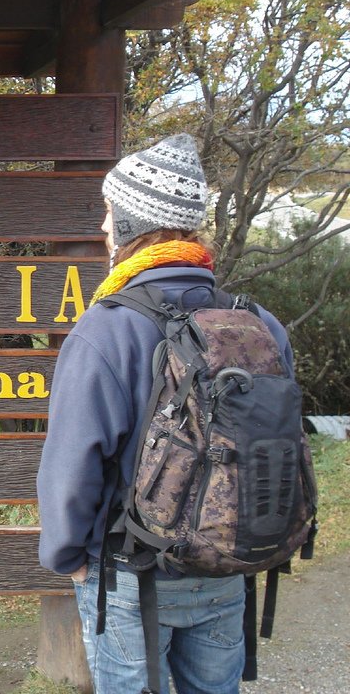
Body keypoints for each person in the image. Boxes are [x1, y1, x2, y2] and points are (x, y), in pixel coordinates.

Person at [36, 134, 294, 694]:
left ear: (132, 224)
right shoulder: (259, 324)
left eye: (108, 213)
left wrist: (68, 558)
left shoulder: (109, 328)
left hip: (129, 571)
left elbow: (73, 460)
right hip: (227, 564)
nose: (103, 227)